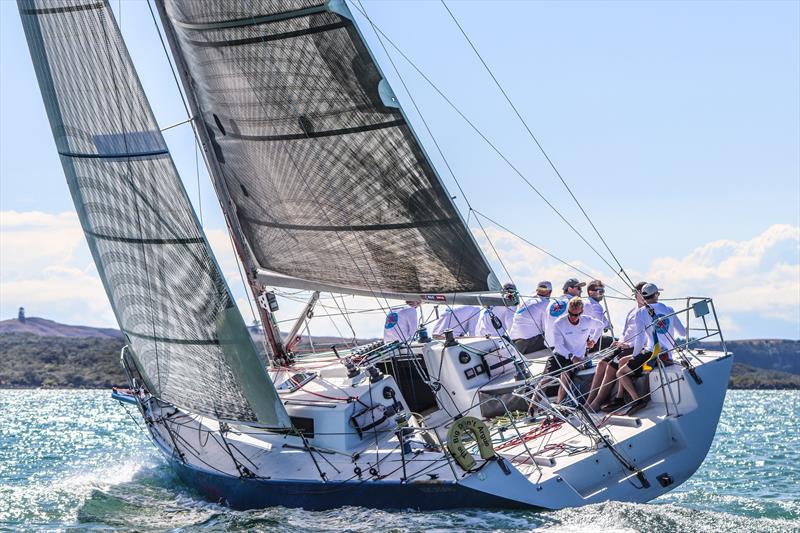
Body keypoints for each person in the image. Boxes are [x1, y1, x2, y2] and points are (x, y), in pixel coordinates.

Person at [605, 283, 687, 413]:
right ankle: (619, 398)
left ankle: (638, 400)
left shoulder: (640, 313)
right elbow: (683, 333)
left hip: (652, 354)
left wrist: (634, 356)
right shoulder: (669, 309)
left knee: (620, 373)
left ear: (644, 296)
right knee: (622, 362)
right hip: (667, 355)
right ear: (656, 295)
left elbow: (640, 338)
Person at [587, 281, 647, 411]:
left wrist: (628, 344)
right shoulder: (632, 311)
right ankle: (589, 400)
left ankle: (597, 402)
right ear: (636, 295)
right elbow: (625, 331)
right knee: (601, 363)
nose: (645, 296)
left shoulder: (648, 312)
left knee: (610, 367)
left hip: (634, 346)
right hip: (623, 344)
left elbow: (646, 335)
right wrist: (619, 342)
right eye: (643, 293)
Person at [547, 297, 603, 403]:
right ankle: (531, 409)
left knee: (566, 374)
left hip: (580, 358)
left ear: (581, 312)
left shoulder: (587, 321)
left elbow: (601, 325)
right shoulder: (559, 323)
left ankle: (560, 404)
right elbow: (558, 346)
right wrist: (573, 358)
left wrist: (593, 340)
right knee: (545, 380)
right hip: (561, 355)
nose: (573, 317)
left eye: (576, 315)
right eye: (570, 313)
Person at [507, 281, 551, 354]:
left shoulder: (526, 302)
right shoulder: (546, 304)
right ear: (550, 292)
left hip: (514, 345)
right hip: (526, 344)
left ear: (537, 290)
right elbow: (547, 328)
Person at [543, 278, 585, 348]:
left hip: (550, 345)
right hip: (565, 346)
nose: (581, 291)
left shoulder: (551, 302)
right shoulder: (574, 302)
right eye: (578, 288)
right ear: (569, 289)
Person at [584, 279, 613, 352]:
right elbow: (601, 325)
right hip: (591, 342)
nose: (602, 294)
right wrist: (593, 341)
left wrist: (608, 325)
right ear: (590, 292)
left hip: (583, 340)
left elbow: (603, 321)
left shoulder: (584, 303)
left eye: (603, 291)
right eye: (600, 291)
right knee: (619, 344)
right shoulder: (596, 305)